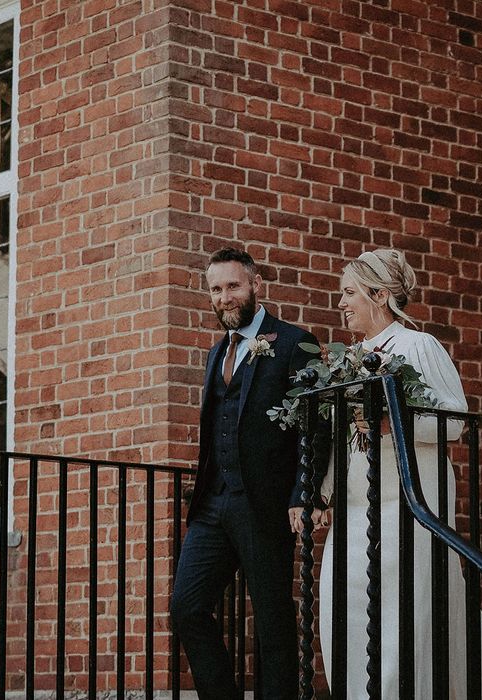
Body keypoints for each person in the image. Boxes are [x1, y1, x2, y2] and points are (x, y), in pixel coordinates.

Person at [311, 249, 482, 699]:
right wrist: (322, 494)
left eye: (349, 293)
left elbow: (453, 420)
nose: (341, 303)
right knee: (343, 611)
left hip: (405, 505)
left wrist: (394, 421)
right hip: (354, 506)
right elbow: (340, 438)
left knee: (400, 615)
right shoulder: (348, 359)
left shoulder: (418, 346)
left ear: (380, 295)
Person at [170, 247, 324, 699]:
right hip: (212, 504)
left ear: (256, 284)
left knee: (272, 620)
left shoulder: (295, 343)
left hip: (263, 501)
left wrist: (303, 491)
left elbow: (314, 428)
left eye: (232, 286)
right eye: (215, 290)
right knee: (187, 607)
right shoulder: (216, 354)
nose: (224, 297)